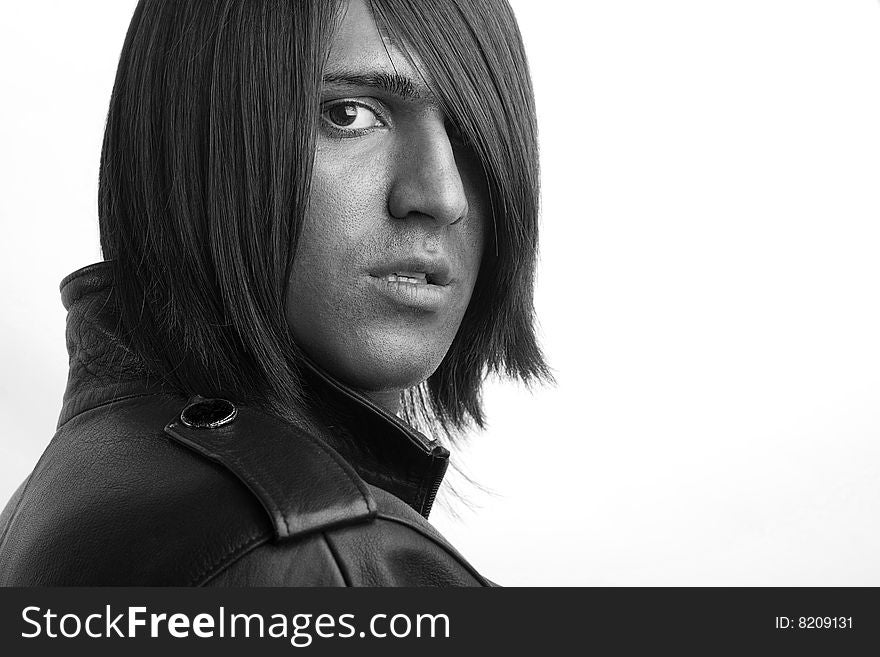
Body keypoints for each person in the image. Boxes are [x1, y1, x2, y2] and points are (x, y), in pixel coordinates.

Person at [0, 0, 548, 586]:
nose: (441, 196)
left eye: (472, 133)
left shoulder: (73, 493)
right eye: (346, 114)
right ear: (197, 143)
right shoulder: (298, 555)